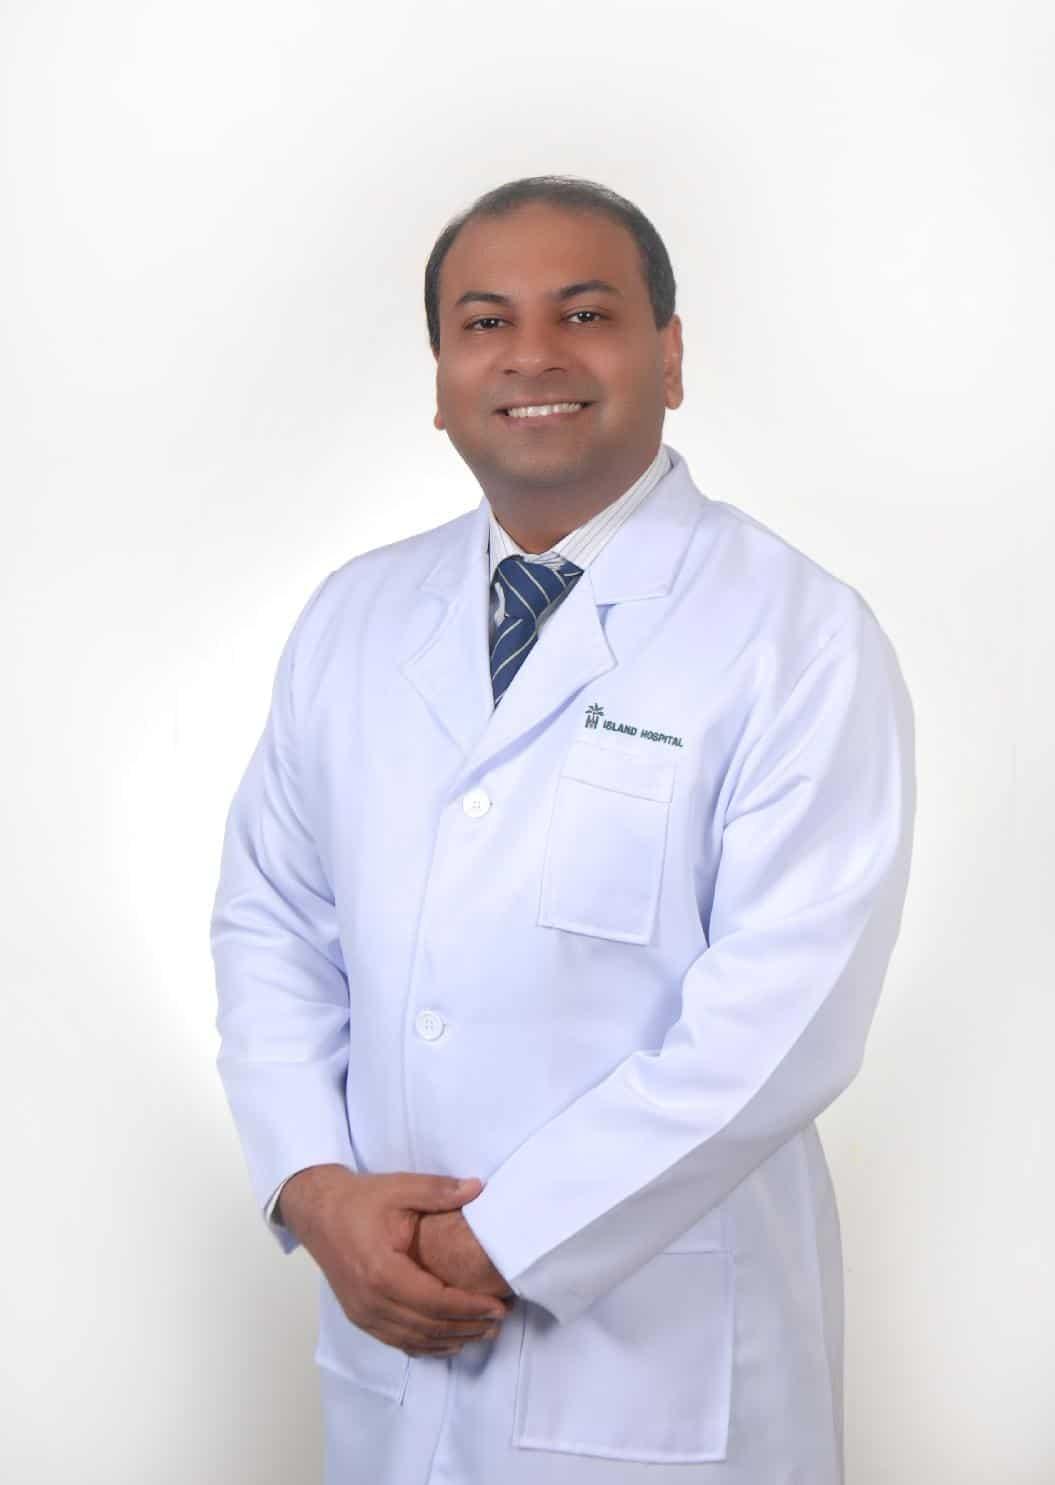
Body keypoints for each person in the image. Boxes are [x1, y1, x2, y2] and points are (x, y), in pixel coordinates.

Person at [210, 173, 916, 1484]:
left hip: (654, 1361)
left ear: (671, 354)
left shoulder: (797, 635)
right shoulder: (354, 619)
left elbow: (781, 1024)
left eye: (585, 313)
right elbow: (273, 925)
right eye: (485, 322)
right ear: (440, 380)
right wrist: (314, 1184)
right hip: (391, 1347)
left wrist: (502, 1238)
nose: (532, 354)